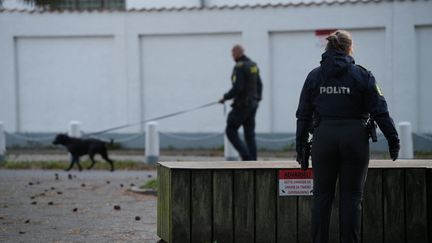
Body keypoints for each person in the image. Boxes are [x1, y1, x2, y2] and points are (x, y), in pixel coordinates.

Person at [295, 30, 400, 243]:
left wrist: (300, 147)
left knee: (321, 197)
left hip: (323, 138)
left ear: (328, 48)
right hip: (355, 139)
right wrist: (393, 140)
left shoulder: (314, 76)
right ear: (349, 48)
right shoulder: (363, 75)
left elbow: (303, 114)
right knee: (352, 198)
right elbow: (380, 110)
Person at [219, 44, 263, 161]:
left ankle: (246, 157)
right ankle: (253, 160)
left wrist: (225, 97)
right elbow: (259, 84)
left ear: (238, 53)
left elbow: (238, 88)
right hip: (253, 104)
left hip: (242, 105)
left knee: (230, 130)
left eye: (233, 54)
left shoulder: (240, 67)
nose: (232, 56)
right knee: (249, 134)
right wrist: (257, 99)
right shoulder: (252, 65)